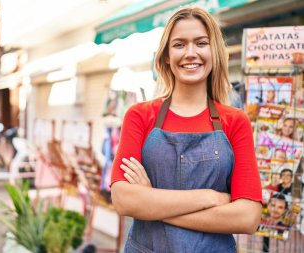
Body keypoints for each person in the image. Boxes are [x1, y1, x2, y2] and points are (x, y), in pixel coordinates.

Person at [110, 6, 262, 253]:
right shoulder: (140, 116)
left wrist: (152, 202)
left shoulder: (235, 121)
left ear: (214, 52)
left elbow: (248, 217)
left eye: (201, 43)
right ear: (166, 56)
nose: (191, 53)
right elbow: (123, 199)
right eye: (179, 45)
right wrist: (208, 198)